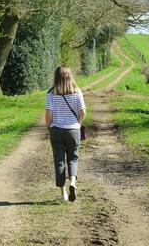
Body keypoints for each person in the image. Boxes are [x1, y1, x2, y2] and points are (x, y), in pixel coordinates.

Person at [45, 65, 86, 201]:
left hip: (56, 130)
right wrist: (78, 125)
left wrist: (49, 126)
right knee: (73, 158)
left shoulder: (51, 93)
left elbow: (49, 113)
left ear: (56, 77)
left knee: (59, 161)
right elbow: (83, 112)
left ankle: (63, 194)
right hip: (73, 130)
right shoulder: (77, 91)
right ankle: (73, 183)